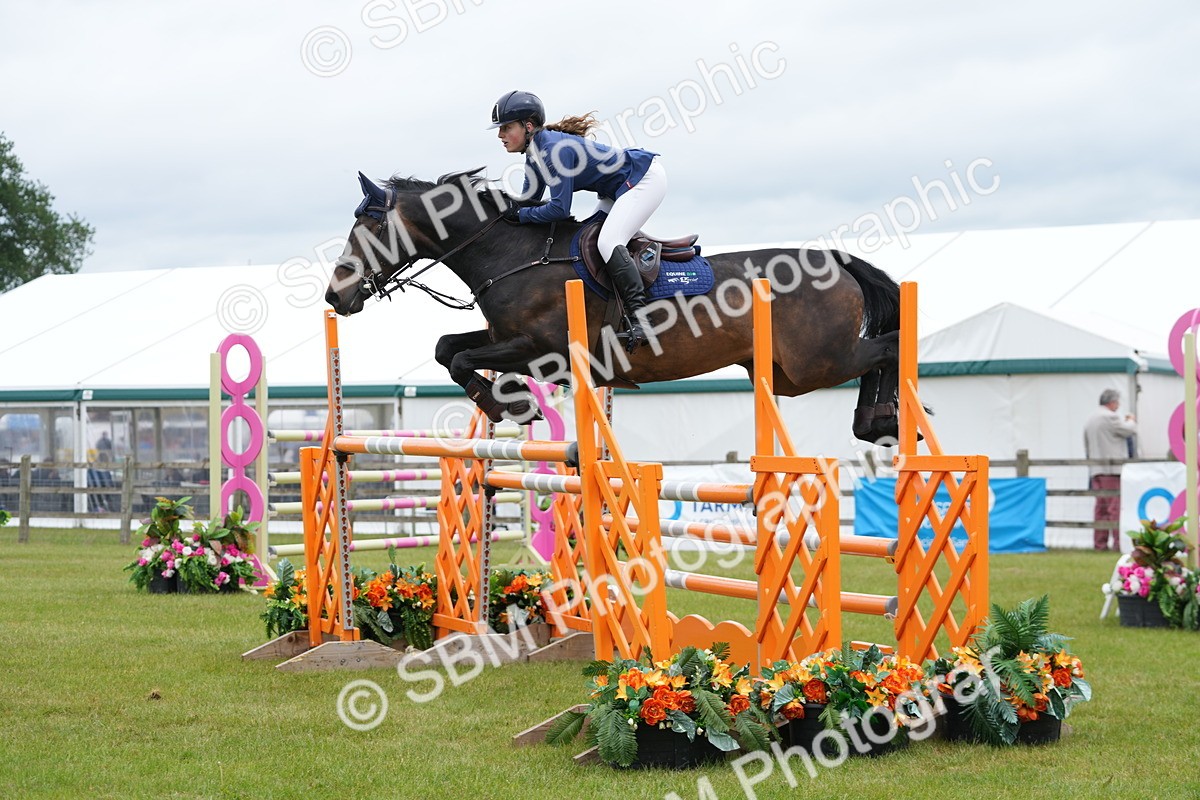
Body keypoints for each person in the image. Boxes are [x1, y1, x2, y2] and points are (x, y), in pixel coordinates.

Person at [490, 90, 666, 353]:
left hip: (643, 180)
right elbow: (529, 202)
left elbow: (559, 210)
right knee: (588, 240)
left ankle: (643, 320)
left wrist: (520, 214)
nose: (500, 135)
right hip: (616, 189)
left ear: (528, 127)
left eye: (506, 128)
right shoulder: (535, 154)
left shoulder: (553, 151)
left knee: (608, 242)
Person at [1083, 388, 1138, 551]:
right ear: (1112, 402)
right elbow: (1129, 430)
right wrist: (1131, 420)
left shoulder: (1090, 419)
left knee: (1100, 508)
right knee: (1114, 507)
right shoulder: (1110, 417)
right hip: (1111, 469)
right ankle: (1118, 543)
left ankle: (1099, 544)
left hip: (1096, 469)